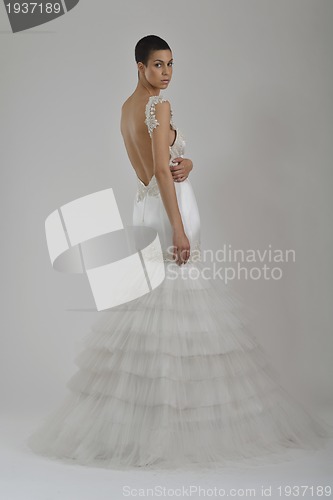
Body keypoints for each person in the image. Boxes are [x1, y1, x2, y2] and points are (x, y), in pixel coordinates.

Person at [26, 35, 333, 472]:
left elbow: (153, 167)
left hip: (144, 207)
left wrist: (187, 163)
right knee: (182, 314)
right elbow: (162, 175)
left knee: (151, 311)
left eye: (171, 64)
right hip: (165, 212)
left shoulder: (126, 108)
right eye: (157, 64)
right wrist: (180, 228)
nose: (166, 72)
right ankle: (173, 425)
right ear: (139, 66)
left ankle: (141, 422)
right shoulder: (159, 107)